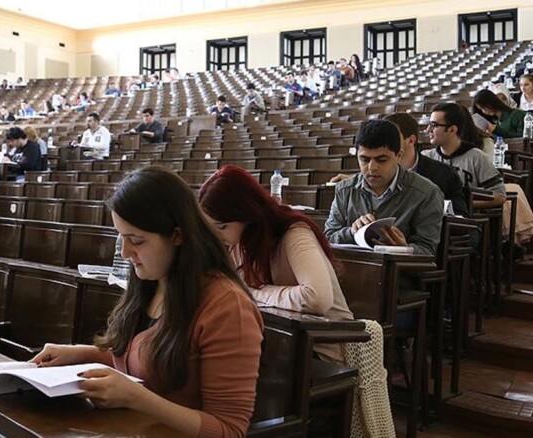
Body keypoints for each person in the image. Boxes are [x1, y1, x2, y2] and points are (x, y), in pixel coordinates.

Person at [31, 166, 263, 437]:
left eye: (137, 241)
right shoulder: (152, 280)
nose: (125, 252)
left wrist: (137, 398)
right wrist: (84, 352)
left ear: (178, 235)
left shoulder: (227, 307)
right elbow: (148, 360)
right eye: (121, 237)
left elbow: (229, 429)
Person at [199, 165, 353, 363]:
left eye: (222, 226)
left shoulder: (294, 233)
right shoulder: (237, 241)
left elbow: (317, 299)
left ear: (247, 214)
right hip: (280, 340)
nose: (216, 236)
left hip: (322, 348)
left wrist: (253, 292)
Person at [324, 119, 444, 256]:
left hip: (398, 274)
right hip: (352, 271)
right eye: (364, 159)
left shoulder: (426, 193)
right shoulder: (344, 190)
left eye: (381, 160)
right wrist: (352, 231)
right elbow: (327, 239)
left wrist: (404, 249)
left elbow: (428, 251)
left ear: (398, 155)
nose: (372, 168)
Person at [422, 103, 506, 210]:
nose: (428, 129)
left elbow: (500, 195)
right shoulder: (426, 157)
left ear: (452, 129)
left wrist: (461, 205)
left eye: (434, 125)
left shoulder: (477, 157)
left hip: (465, 221)